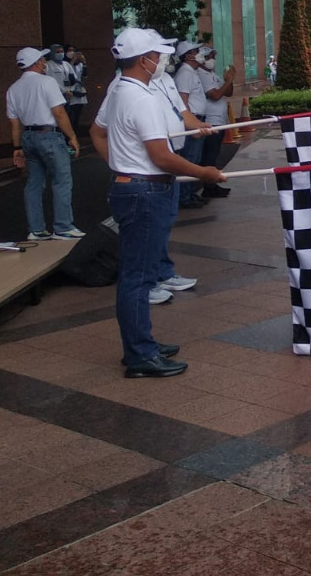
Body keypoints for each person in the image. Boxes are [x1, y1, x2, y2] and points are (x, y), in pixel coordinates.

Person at [92, 28, 224, 378]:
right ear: (143, 60)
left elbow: (98, 131)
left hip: (136, 188)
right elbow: (161, 156)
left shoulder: (119, 90)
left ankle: (141, 343)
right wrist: (203, 172)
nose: (162, 60)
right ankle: (140, 355)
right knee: (138, 278)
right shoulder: (141, 98)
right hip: (145, 192)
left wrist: (120, 167)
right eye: (157, 55)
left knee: (141, 274)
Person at [5, 47, 85, 241]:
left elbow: (14, 124)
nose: (44, 63)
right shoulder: (47, 82)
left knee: (34, 183)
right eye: (41, 59)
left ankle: (36, 229)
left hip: (28, 137)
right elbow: (59, 113)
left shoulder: (13, 89)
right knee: (61, 180)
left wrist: (17, 148)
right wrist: (72, 137)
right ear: (35, 62)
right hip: (49, 135)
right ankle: (63, 227)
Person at [196, 46, 235, 198]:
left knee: (214, 154)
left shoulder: (212, 74)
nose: (212, 60)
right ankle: (208, 186)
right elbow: (215, 95)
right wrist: (228, 81)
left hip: (219, 120)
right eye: (208, 57)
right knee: (209, 155)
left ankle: (211, 185)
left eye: (213, 56)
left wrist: (229, 80)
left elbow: (228, 92)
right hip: (210, 121)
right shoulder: (201, 74)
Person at [172, 41, 208, 208]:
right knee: (190, 160)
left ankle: (190, 194)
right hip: (192, 121)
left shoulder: (191, 72)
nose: (200, 53)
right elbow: (183, 101)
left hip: (196, 119)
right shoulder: (185, 73)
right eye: (196, 51)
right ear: (188, 56)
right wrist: (191, 125)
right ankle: (184, 197)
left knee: (195, 159)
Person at [63, 44, 88, 133]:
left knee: (77, 116)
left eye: (73, 50)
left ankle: (75, 134)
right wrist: (72, 61)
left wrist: (84, 62)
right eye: (69, 50)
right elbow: (68, 75)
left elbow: (84, 76)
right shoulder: (65, 64)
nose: (72, 52)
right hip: (69, 92)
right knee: (70, 116)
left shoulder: (79, 64)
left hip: (78, 92)